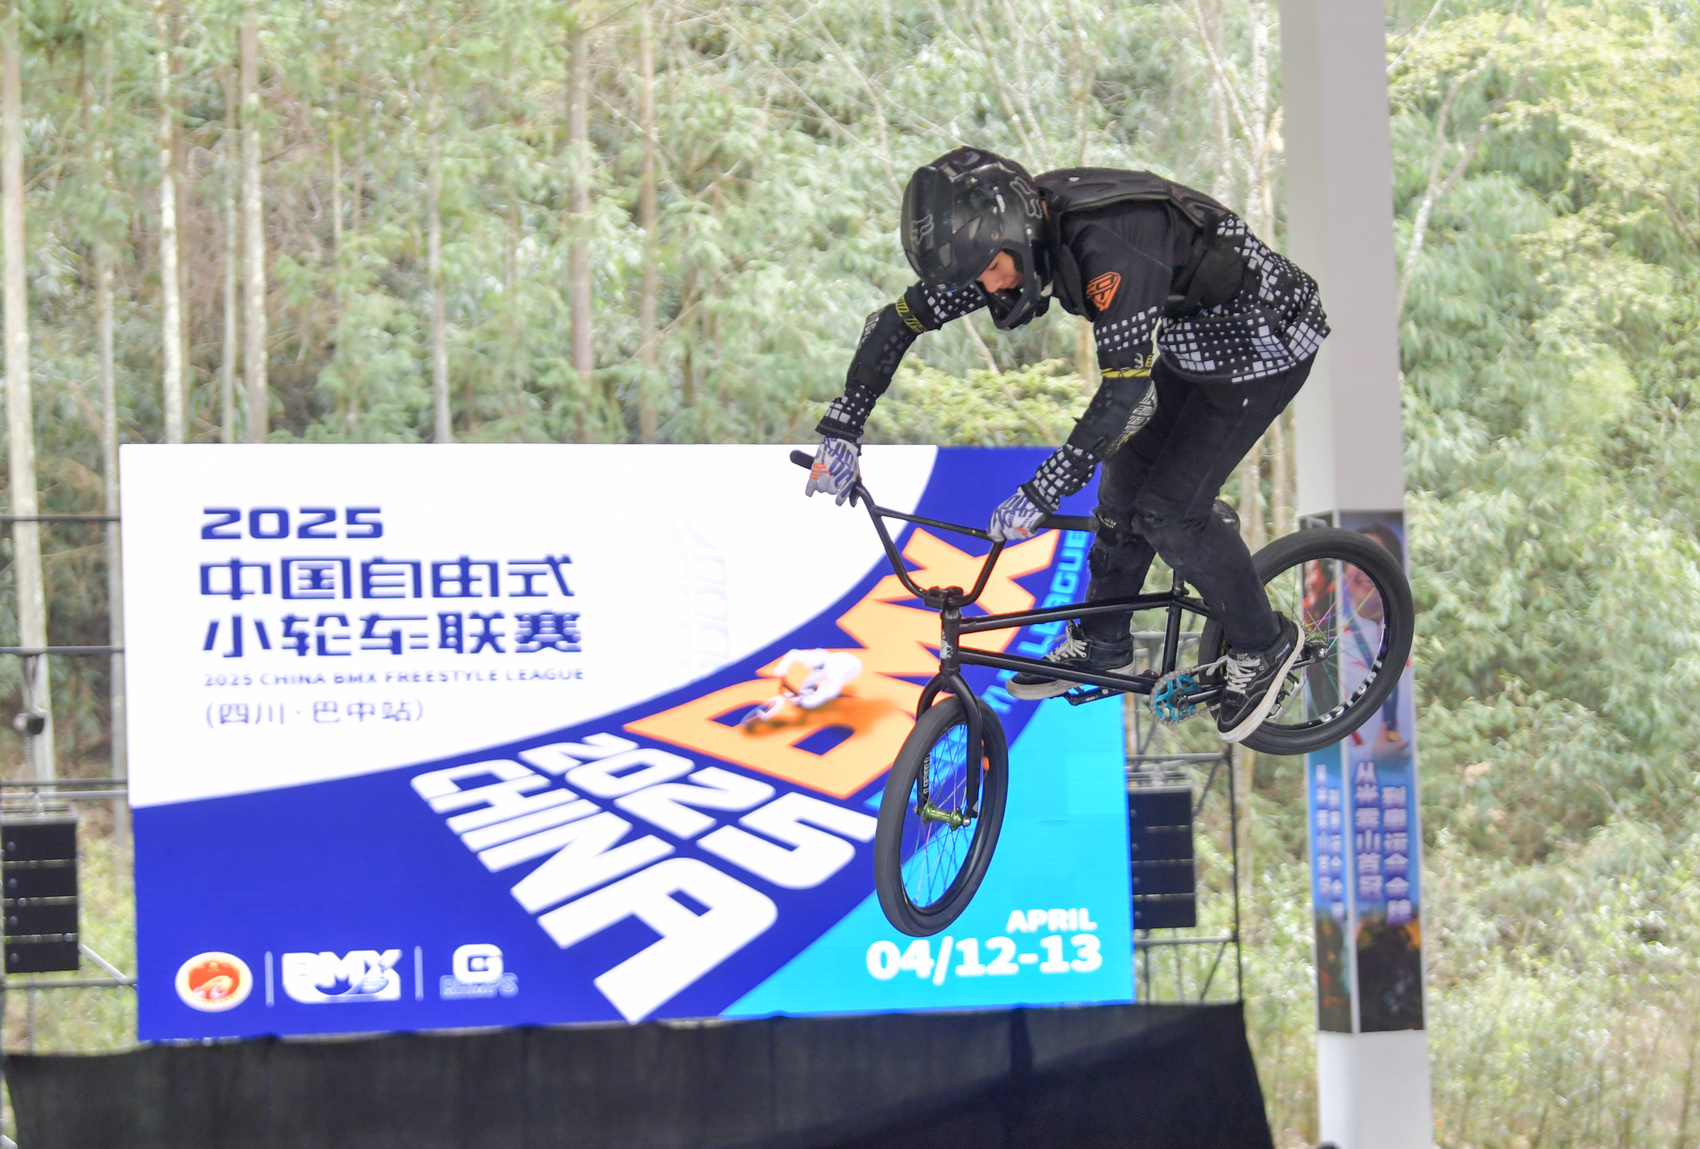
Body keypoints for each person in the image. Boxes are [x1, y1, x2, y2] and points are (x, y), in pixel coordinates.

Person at [803, 147, 1329, 742]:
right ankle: (1104, 641)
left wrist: (1043, 489)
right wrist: (843, 427)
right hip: (1195, 340)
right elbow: (895, 320)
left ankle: (1265, 645)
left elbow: (1126, 392)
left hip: (1267, 340)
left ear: (1016, 236)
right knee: (1121, 493)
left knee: (1169, 513)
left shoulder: (1109, 247)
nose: (988, 287)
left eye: (989, 270)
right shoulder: (1005, 244)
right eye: (976, 277)